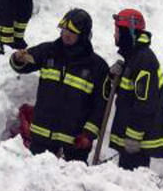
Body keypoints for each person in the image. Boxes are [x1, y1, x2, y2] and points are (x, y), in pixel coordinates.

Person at [9, 8, 110, 162]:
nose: (66, 34)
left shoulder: (97, 67)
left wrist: (88, 135)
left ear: (83, 36)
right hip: (41, 136)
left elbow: (100, 107)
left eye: (72, 32)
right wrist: (18, 58)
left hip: (74, 143)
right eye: (64, 29)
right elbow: (22, 64)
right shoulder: (48, 51)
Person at [109, 8, 163, 171]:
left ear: (127, 32)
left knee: (131, 183)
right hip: (132, 139)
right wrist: (116, 76)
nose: (114, 35)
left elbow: (145, 103)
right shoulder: (134, 58)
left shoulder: (144, 60)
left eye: (117, 31)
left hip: (137, 143)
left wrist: (133, 136)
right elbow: (128, 96)